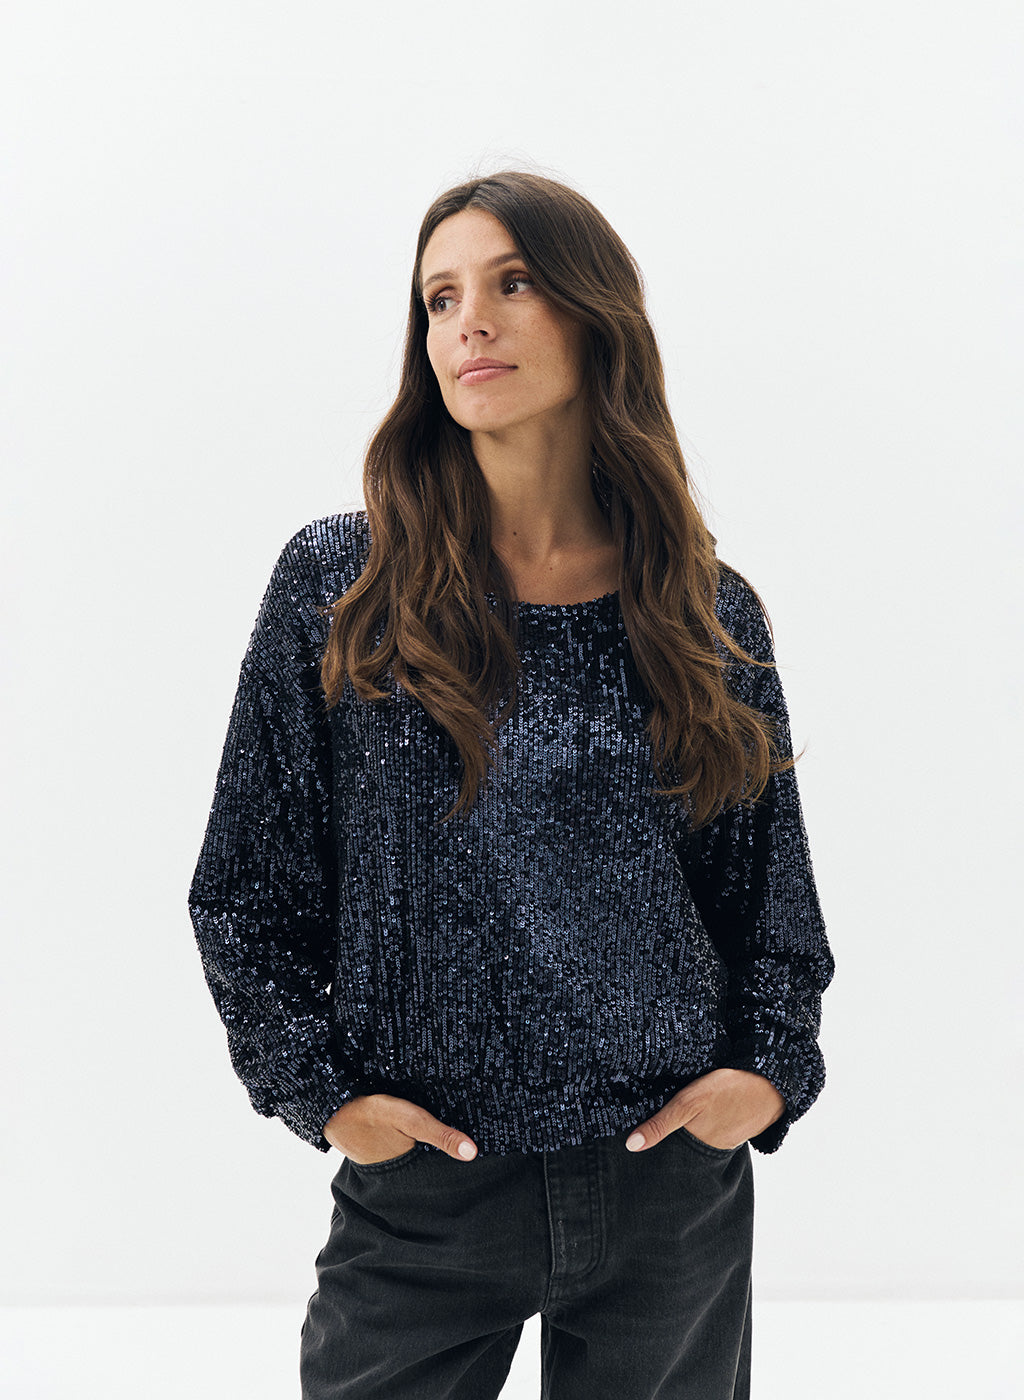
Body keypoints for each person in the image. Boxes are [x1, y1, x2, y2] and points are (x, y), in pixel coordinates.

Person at [187, 169, 835, 1400]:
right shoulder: (342, 587)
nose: (468, 322)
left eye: (512, 283)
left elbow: (768, 904)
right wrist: (325, 1097)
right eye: (439, 298)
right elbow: (245, 889)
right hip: (424, 1188)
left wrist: (766, 1071)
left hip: (665, 1187)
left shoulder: (701, 609)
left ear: (595, 317)